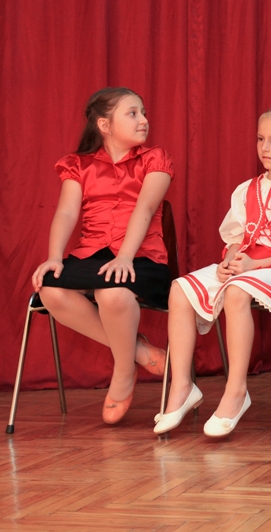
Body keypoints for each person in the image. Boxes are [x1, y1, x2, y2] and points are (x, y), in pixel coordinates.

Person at [154, 106, 271, 437]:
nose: (265, 147)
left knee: (237, 290)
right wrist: (230, 261)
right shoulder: (247, 190)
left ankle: (236, 391)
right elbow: (237, 240)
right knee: (180, 288)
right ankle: (182, 386)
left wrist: (254, 265)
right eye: (261, 139)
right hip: (250, 267)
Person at [32, 87, 173, 425]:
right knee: (50, 288)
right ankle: (138, 351)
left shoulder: (155, 159)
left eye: (143, 112)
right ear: (105, 125)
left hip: (143, 257)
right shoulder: (78, 165)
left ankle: (123, 370)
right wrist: (54, 256)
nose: (143, 120)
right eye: (132, 113)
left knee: (112, 292)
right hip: (93, 254)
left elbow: (145, 209)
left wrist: (125, 257)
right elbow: (66, 213)